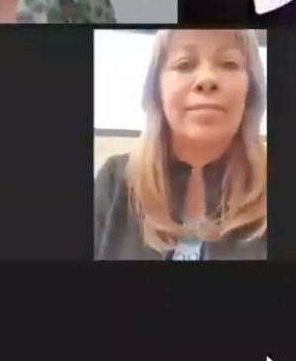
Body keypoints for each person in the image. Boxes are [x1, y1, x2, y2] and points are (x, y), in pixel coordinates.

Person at [94, 29, 267, 261]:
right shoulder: (114, 181)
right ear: (157, 90)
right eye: (184, 64)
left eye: (229, 63)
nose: (207, 79)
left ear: (251, 89)